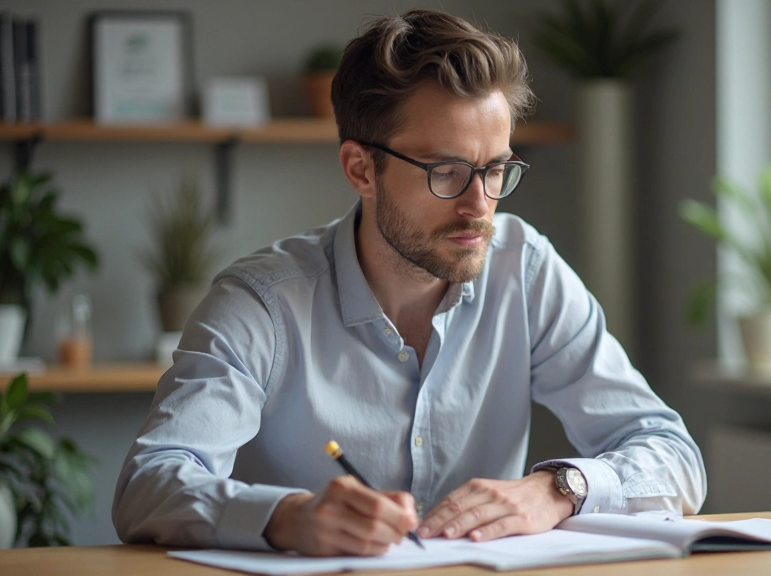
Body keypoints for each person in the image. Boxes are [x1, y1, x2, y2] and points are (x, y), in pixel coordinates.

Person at [112, 9, 706, 558]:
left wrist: (561, 488)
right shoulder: (261, 303)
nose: (480, 205)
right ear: (360, 168)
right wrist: (289, 516)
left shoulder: (525, 269)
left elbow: (674, 456)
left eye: (496, 169)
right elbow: (148, 484)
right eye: (447, 172)